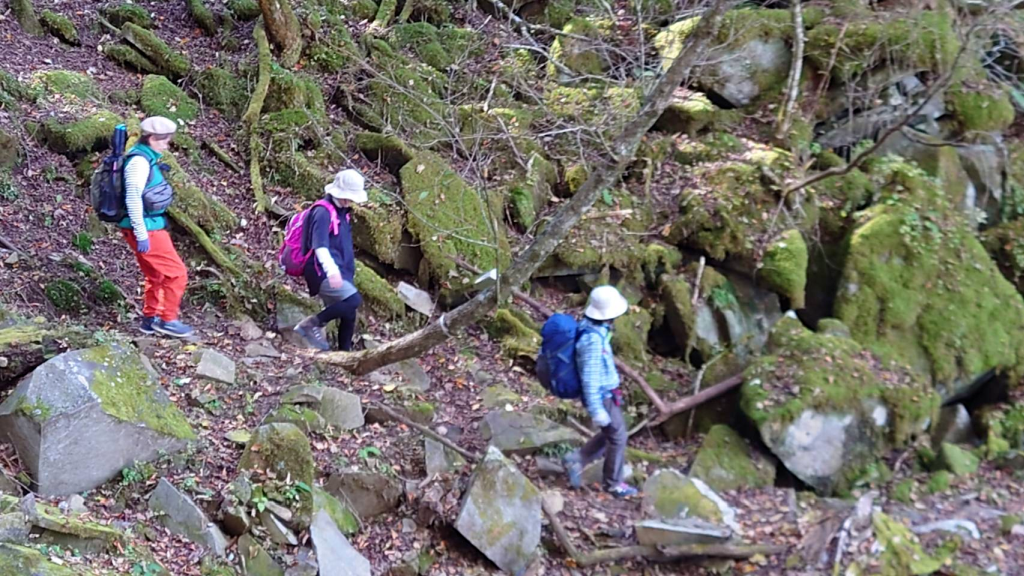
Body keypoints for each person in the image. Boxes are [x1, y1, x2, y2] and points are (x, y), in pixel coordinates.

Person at [120, 116, 193, 338]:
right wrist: (142, 234)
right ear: (151, 138)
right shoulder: (139, 162)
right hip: (146, 228)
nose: (167, 145)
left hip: (145, 227)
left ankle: (149, 319)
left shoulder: (146, 158)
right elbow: (132, 198)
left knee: (156, 275)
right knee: (177, 274)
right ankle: (167, 320)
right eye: (164, 140)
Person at [564, 285, 638, 498]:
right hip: (602, 397)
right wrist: (596, 409)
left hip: (607, 394)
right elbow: (590, 377)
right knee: (618, 437)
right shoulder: (592, 340)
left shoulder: (596, 329)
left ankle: (576, 458)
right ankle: (613, 483)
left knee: (611, 433)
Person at [293, 169, 367, 351]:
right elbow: (320, 246)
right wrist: (332, 271)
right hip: (321, 271)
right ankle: (311, 324)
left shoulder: (342, 212)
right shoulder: (322, 212)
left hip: (340, 270)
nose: (350, 201)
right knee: (353, 300)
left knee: (349, 313)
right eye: (348, 197)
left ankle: (345, 354)